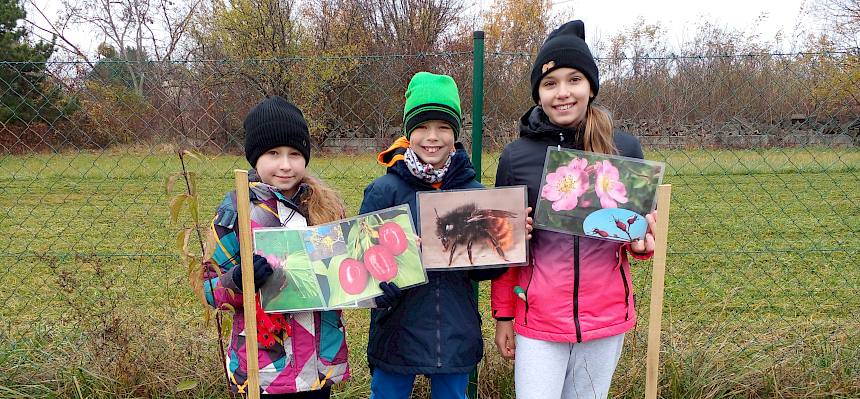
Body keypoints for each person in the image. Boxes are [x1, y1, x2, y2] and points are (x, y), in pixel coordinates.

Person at [491, 20, 658, 399]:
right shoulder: (517, 158)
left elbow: (638, 236)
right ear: (538, 94)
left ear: (591, 87)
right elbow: (504, 246)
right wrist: (504, 315)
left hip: (605, 318)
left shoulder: (625, 151)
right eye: (550, 84)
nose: (562, 93)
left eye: (574, 80)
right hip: (539, 320)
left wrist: (641, 244)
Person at [359, 71, 530, 399]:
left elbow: (489, 270)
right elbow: (366, 272)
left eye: (443, 127)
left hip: (453, 330)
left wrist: (509, 240)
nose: (432, 137)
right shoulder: (384, 192)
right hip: (396, 331)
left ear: (455, 133)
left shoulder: (475, 194)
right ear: (409, 133)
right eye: (421, 127)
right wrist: (393, 271)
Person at [195, 96, 350, 398]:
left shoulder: (326, 209)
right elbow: (209, 289)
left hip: (318, 366)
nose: (285, 165)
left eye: (295, 154)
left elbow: (346, 275)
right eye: (273, 153)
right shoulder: (236, 215)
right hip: (265, 368)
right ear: (254, 157)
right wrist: (239, 280)